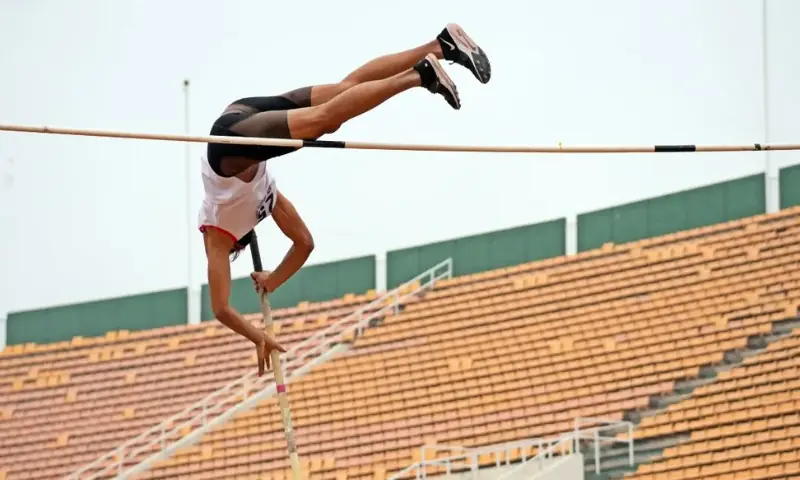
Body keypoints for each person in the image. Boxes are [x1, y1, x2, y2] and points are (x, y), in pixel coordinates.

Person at [199, 23, 491, 376]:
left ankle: (419, 75)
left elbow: (220, 308)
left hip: (228, 143)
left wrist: (257, 335)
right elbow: (304, 243)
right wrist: (271, 281)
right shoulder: (267, 200)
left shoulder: (217, 231)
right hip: (239, 114)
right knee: (343, 92)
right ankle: (443, 44)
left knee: (324, 119)